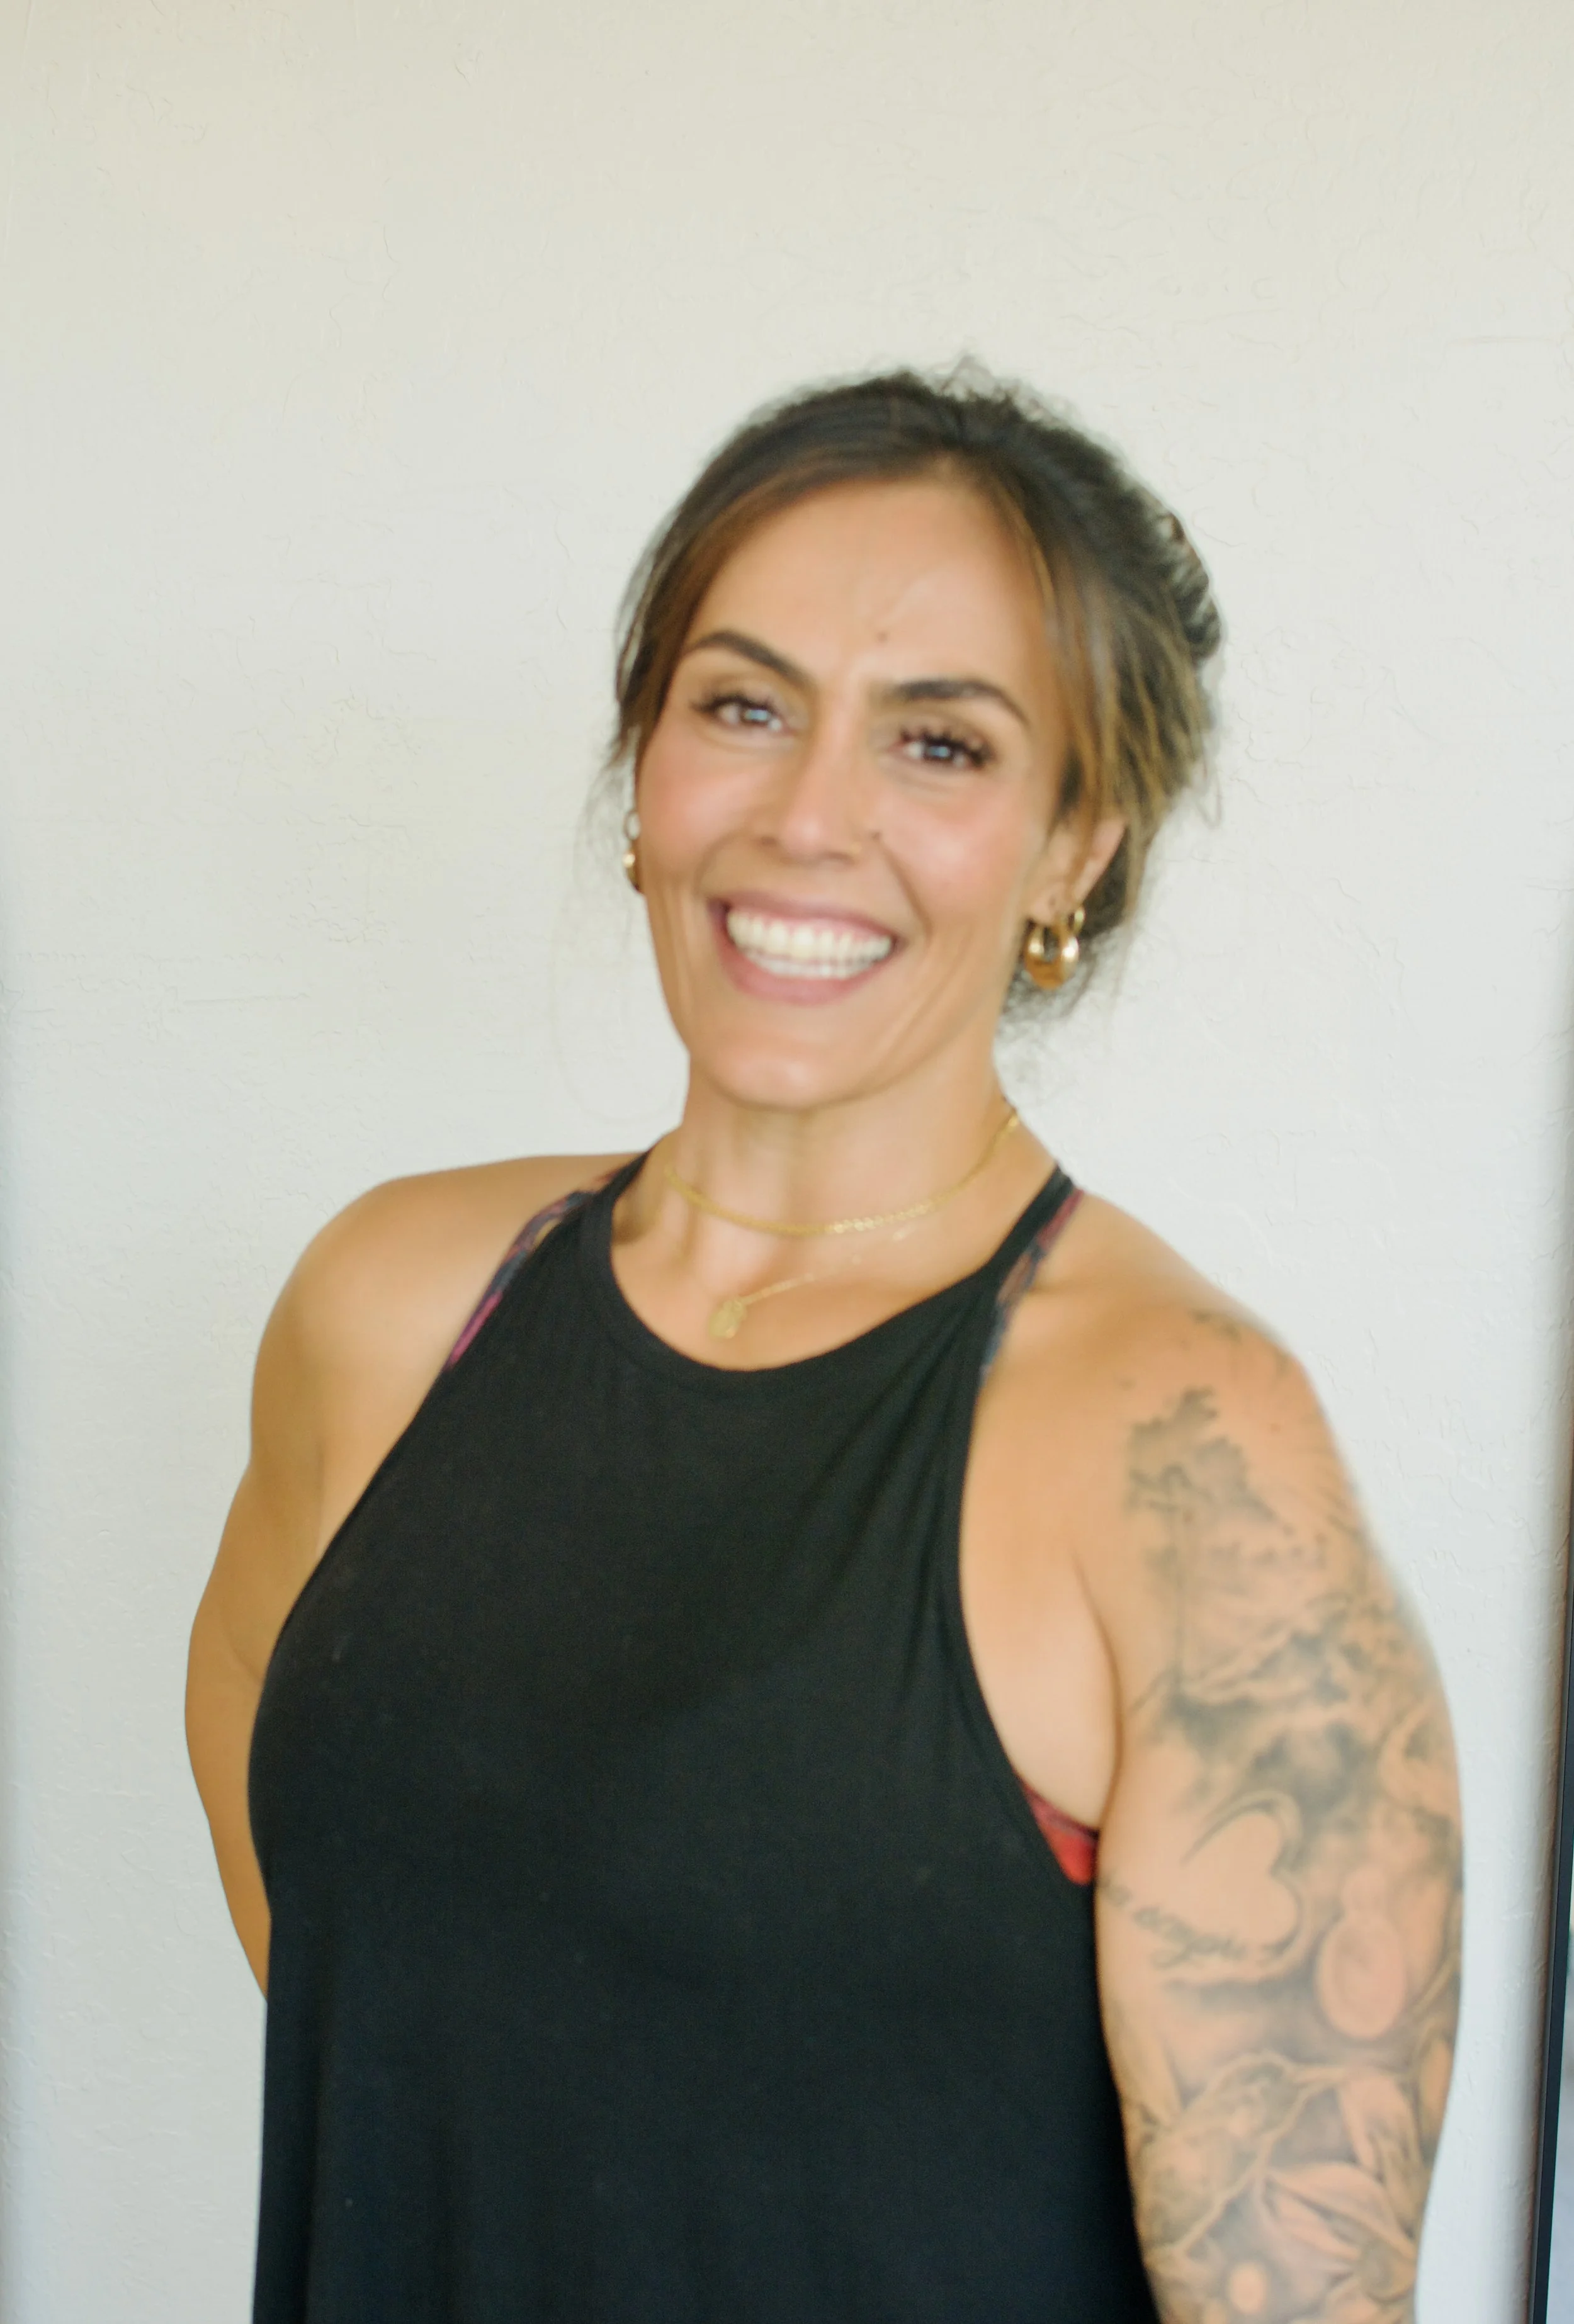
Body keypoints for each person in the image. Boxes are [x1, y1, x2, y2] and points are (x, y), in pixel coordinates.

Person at [186, 368, 1463, 2323]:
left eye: (940, 744)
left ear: (1073, 850)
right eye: (743, 704)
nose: (807, 816)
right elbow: (397, 2015)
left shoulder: (1189, 1453)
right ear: (644, 770)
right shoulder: (387, 1310)